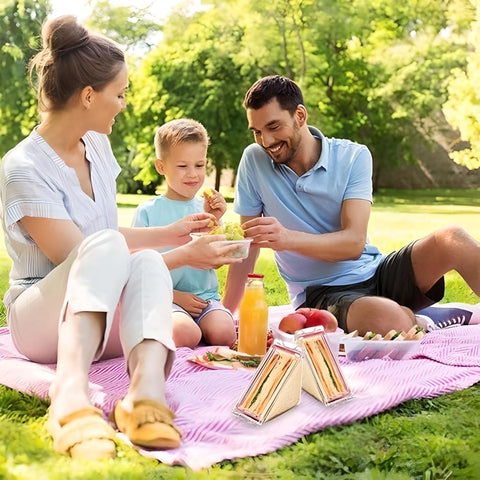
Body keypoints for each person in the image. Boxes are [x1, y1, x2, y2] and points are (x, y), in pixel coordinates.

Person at [0, 15, 242, 461]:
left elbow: (106, 242)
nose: (124, 103)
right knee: (131, 254)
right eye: (121, 92)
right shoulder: (23, 169)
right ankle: (69, 395)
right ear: (89, 96)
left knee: (148, 261)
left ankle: (145, 396)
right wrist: (183, 253)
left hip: (98, 310)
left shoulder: (98, 147)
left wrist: (170, 234)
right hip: (39, 320)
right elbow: (88, 257)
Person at [222, 74, 480, 336]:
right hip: (321, 293)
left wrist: (287, 238)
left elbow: (354, 244)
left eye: (274, 127)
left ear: (300, 116)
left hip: (376, 270)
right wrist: (225, 313)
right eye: (257, 132)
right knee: (390, 321)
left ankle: (411, 313)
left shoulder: (354, 156)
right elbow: (248, 246)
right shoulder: (254, 161)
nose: (266, 141)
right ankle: (414, 315)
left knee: (452, 239)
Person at [132, 119, 237, 349]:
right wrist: (174, 296)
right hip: (165, 297)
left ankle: (201, 328)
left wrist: (216, 219)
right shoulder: (148, 212)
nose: (193, 175)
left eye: (199, 165)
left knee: (225, 333)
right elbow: (138, 270)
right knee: (185, 334)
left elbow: (215, 260)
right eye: (182, 166)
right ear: (161, 167)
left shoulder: (205, 208)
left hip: (205, 297)